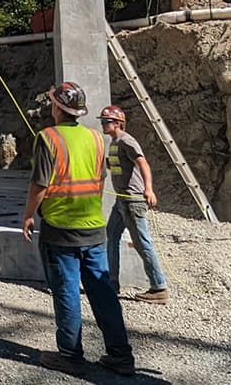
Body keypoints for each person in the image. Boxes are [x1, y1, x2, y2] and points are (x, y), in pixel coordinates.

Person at [21, 82, 136, 376]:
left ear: (58, 107)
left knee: (67, 292)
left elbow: (40, 184)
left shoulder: (48, 138)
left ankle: (71, 356)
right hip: (94, 228)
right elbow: (99, 180)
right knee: (103, 293)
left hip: (61, 229)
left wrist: (28, 215)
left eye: (52, 103)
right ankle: (120, 355)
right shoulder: (97, 139)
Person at [100, 105, 170, 303]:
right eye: (103, 121)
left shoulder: (127, 141)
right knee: (111, 235)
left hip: (133, 200)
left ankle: (159, 287)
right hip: (121, 199)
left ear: (118, 123)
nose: (103, 124)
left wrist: (148, 189)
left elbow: (143, 163)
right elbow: (116, 165)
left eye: (106, 121)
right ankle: (111, 282)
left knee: (142, 243)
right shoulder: (114, 143)